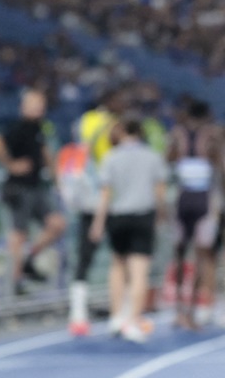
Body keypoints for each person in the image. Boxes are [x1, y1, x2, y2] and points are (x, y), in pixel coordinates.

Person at [89, 117, 168, 343]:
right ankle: (133, 320)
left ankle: (116, 317)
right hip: (143, 215)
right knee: (139, 272)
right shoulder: (152, 157)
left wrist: (98, 223)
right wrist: (162, 215)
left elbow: (105, 194)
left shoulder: (111, 157)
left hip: (118, 216)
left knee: (117, 265)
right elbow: (160, 192)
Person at [0, 88, 66, 296]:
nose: (40, 108)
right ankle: (16, 281)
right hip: (19, 187)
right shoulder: (19, 127)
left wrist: (57, 180)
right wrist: (11, 165)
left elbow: (46, 153)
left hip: (37, 186)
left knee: (57, 224)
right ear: (24, 106)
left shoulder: (39, 128)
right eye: (35, 104)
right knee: (18, 234)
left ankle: (29, 260)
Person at [67, 88, 126, 335]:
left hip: (88, 196)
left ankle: (78, 315)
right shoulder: (113, 124)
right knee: (121, 255)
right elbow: (116, 153)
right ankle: (120, 314)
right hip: (109, 195)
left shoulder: (83, 122)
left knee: (85, 256)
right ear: (110, 101)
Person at [165, 99, 224, 329]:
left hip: (182, 200)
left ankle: (180, 310)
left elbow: (168, 160)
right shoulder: (211, 137)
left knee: (180, 254)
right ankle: (189, 310)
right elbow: (220, 167)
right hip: (203, 202)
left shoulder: (177, 135)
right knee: (201, 255)